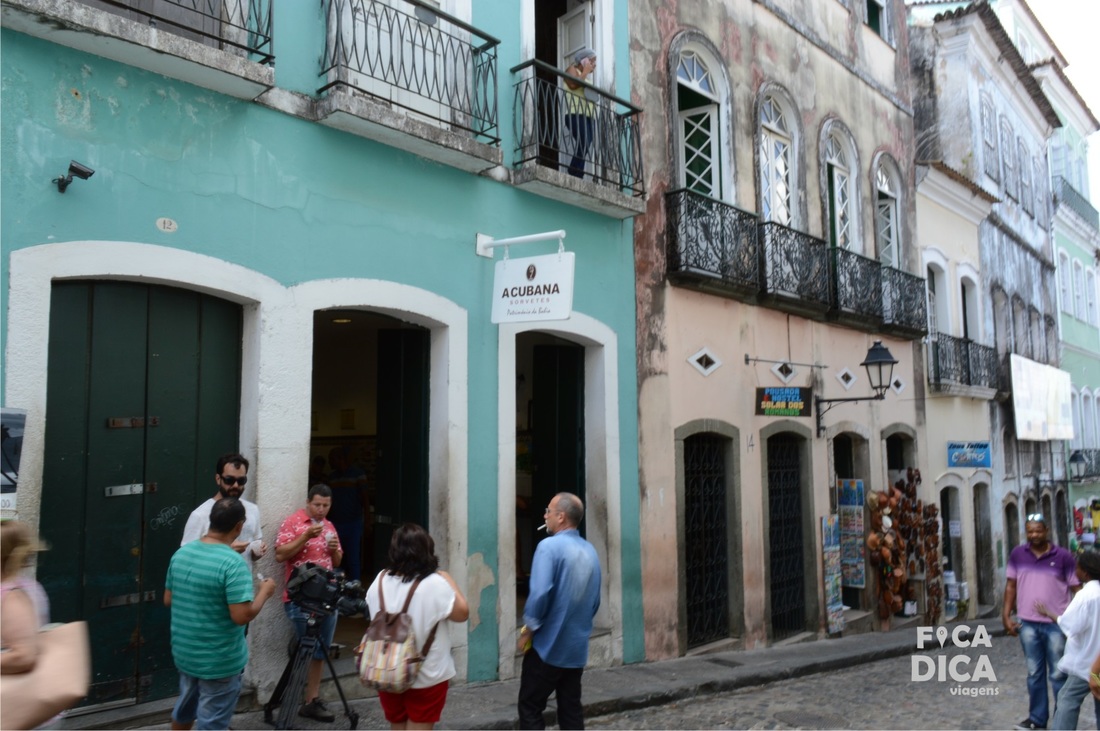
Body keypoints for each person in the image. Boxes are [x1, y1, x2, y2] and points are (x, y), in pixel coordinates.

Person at [165, 498, 277, 731]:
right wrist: (265, 593)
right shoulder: (232, 563)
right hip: (219, 661)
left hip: (186, 654)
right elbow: (241, 616)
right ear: (238, 527)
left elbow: (169, 599)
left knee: (185, 709)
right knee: (212, 724)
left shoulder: (181, 555)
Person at [365, 523, 469, 730]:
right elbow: (462, 613)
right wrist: (447, 578)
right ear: (427, 551)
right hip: (427, 673)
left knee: (397, 724)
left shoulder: (380, 579)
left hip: (386, 669)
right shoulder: (435, 583)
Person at [516, 492, 601, 730]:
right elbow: (595, 602)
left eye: (548, 511)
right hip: (575, 648)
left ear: (561, 517)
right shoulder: (590, 550)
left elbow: (540, 593)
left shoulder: (548, 547)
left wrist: (528, 630)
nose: (545, 515)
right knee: (570, 708)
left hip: (547, 646)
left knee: (530, 706)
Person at [1003, 513, 1081, 731]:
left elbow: (1077, 590)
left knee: (1058, 673)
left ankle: (1061, 720)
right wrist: (1006, 615)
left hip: (1056, 625)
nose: (1033, 535)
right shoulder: (1018, 554)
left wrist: (1074, 620)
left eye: (1038, 530)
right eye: (1029, 531)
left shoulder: (1063, 556)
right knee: (1034, 673)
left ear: (1046, 530)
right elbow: (1010, 585)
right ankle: (1037, 719)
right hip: (1027, 623)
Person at [275, 483, 344, 722]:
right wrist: (304, 536)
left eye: (325, 505)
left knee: (320, 650)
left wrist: (334, 550)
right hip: (299, 600)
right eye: (317, 505)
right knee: (304, 651)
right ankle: (292, 701)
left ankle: (311, 700)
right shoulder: (293, 523)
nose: (321, 510)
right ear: (308, 502)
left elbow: (335, 561)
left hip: (326, 601)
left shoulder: (330, 526)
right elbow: (280, 554)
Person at [1036, 550, 1100, 730]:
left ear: (1085, 572)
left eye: (1077, 568)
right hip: (1095, 661)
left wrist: (1050, 614)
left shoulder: (1086, 595)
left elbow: (1071, 625)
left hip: (1087, 663)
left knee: (1067, 698)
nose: (1075, 571)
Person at [180, 453, 266, 573]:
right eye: (229, 480)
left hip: (242, 585)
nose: (236, 485)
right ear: (218, 479)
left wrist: (256, 551)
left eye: (241, 481)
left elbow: (252, 554)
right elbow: (185, 560)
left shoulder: (252, 510)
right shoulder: (199, 515)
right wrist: (226, 550)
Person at [327, 446, 369, 582]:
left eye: (331, 459)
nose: (329, 463)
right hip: (335, 524)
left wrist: (367, 520)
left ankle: (355, 586)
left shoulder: (358, 474)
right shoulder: (331, 478)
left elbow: (365, 498)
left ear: (340, 459)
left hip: (353, 523)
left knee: (353, 558)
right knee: (336, 556)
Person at [562, 48, 597, 179]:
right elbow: (573, 84)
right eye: (592, 62)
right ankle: (574, 171)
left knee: (586, 144)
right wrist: (585, 72)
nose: (594, 65)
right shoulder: (572, 69)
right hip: (574, 114)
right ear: (584, 60)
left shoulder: (586, 77)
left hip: (588, 116)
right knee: (583, 141)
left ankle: (577, 172)